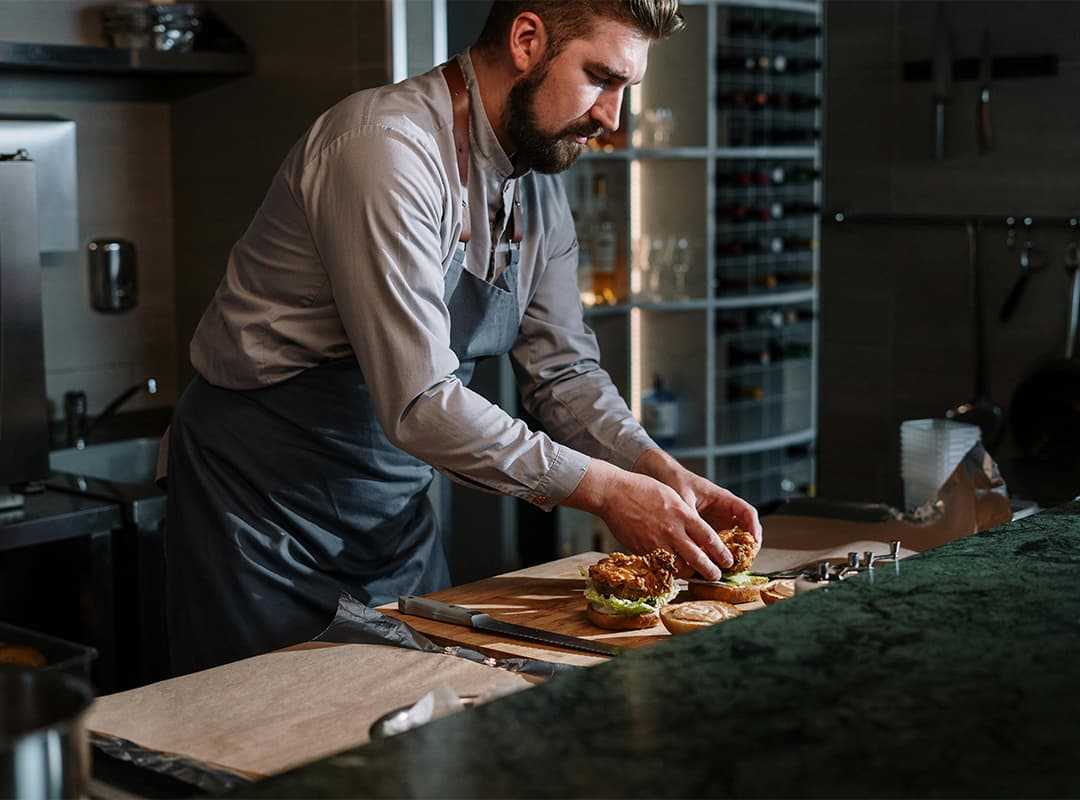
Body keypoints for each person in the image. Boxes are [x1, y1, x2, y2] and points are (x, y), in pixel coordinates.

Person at [164, 0, 761, 675]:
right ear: (527, 40)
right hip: (262, 517)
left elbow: (563, 372)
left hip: (394, 516)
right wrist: (604, 491)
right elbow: (420, 403)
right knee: (264, 752)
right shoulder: (383, 149)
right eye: (601, 78)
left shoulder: (536, 184)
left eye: (625, 89)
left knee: (420, 734)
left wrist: (650, 466)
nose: (610, 117)